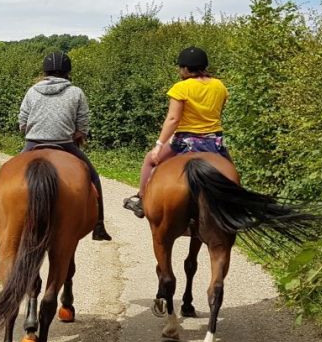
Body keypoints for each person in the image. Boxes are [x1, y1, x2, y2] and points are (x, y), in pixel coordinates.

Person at [123, 46, 230, 218]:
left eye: (180, 67)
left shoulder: (181, 87)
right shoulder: (219, 85)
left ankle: (142, 200)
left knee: (149, 161)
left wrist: (158, 145)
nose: (179, 70)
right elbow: (219, 111)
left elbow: (173, 119)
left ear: (186, 68)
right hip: (214, 143)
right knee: (232, 175)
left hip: (185, 141)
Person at [19, 51, 113, 241]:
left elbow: (22, 122)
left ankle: (2, 215)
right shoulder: (76, 92)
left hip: (33, 143)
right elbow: (82, 125)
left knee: (7, 172)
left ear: (45, 71)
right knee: (93, 177)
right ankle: (99, 225)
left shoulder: (32, 91)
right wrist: (76, 134)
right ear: (67, 72)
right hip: (65, 144)